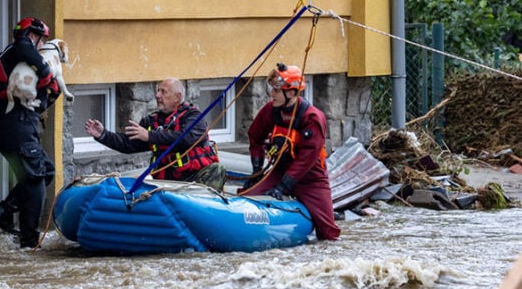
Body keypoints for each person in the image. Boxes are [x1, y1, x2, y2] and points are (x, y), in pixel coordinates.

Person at [240, 63, 340, 240]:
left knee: (328, 232)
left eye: (277, 91)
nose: (272, 94)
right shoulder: (271, 110)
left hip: (310, 178)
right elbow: (254, 136)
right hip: (279, 171)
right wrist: (257, 170)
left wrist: (283, 187)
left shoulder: (312, 118)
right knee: (246, 198)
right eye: (272, 90)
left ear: (292, 92)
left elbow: (306, 159)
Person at [0, 17, 61, 248]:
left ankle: (6, 211)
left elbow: (50, 92)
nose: (42, 46)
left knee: (45, 171)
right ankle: (30, 240)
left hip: (20, 123)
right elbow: (24, 47)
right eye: (41, 40)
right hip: (13, 122)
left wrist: (47, 92)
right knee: (36, 177)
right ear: (32, 35)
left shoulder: (19, 60)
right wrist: (46, 71)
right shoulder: (18, 49)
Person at [84, 77, 226, 190]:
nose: (157, 95)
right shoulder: (151, 121)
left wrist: (150, 136)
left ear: (177, 97)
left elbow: (187, 138)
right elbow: (128, 144)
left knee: (217, 169)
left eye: (163, 92)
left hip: (192, 179)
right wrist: (103, 135)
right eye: (158, 91)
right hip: (164, 182)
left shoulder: (194, 117)